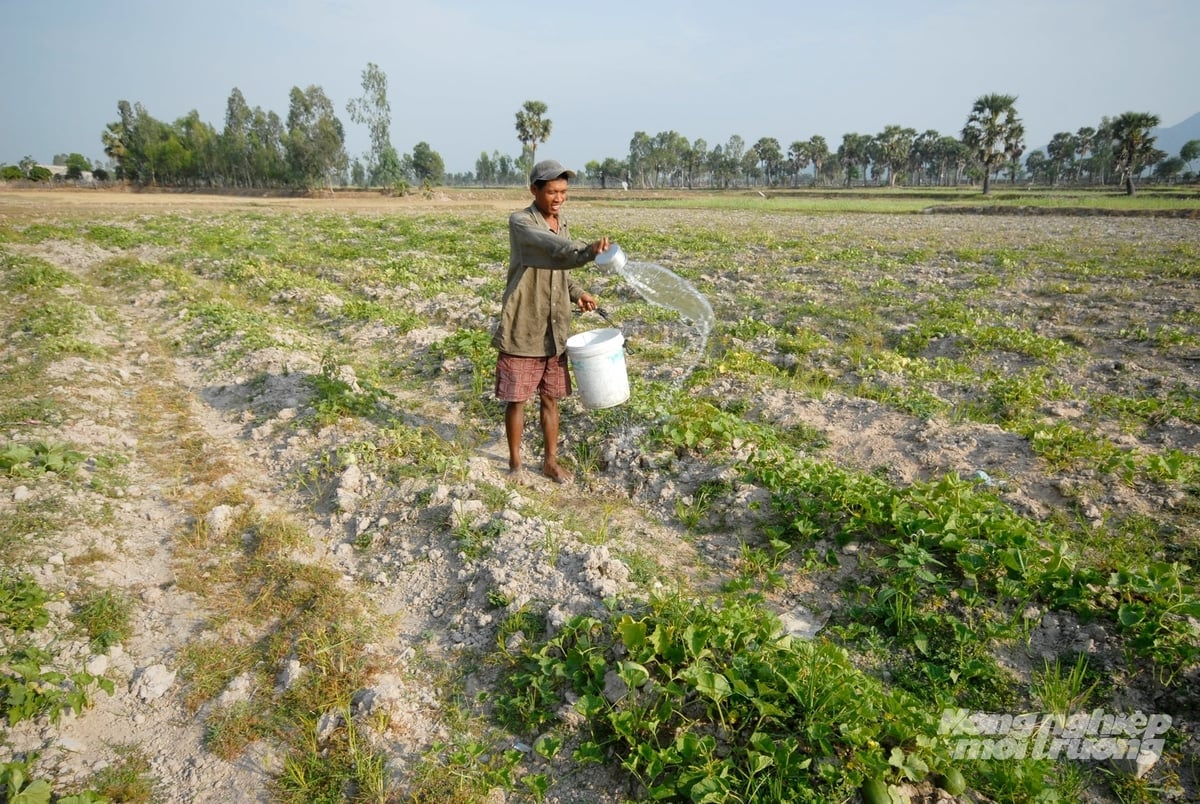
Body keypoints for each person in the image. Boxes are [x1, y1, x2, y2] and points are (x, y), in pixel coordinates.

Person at [492, 159, 610, 484]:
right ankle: (515, 464)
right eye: (552, 192)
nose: (559, 198)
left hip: (554, 327)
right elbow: (553, 249)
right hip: (524, 324)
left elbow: (562, 269)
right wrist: (586, 251)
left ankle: (550, 462)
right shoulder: (521, 223)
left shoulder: (563, 223)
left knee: (550, 398)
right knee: (517, 399)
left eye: (563, 192)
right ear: (534, 190)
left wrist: (578, 293)